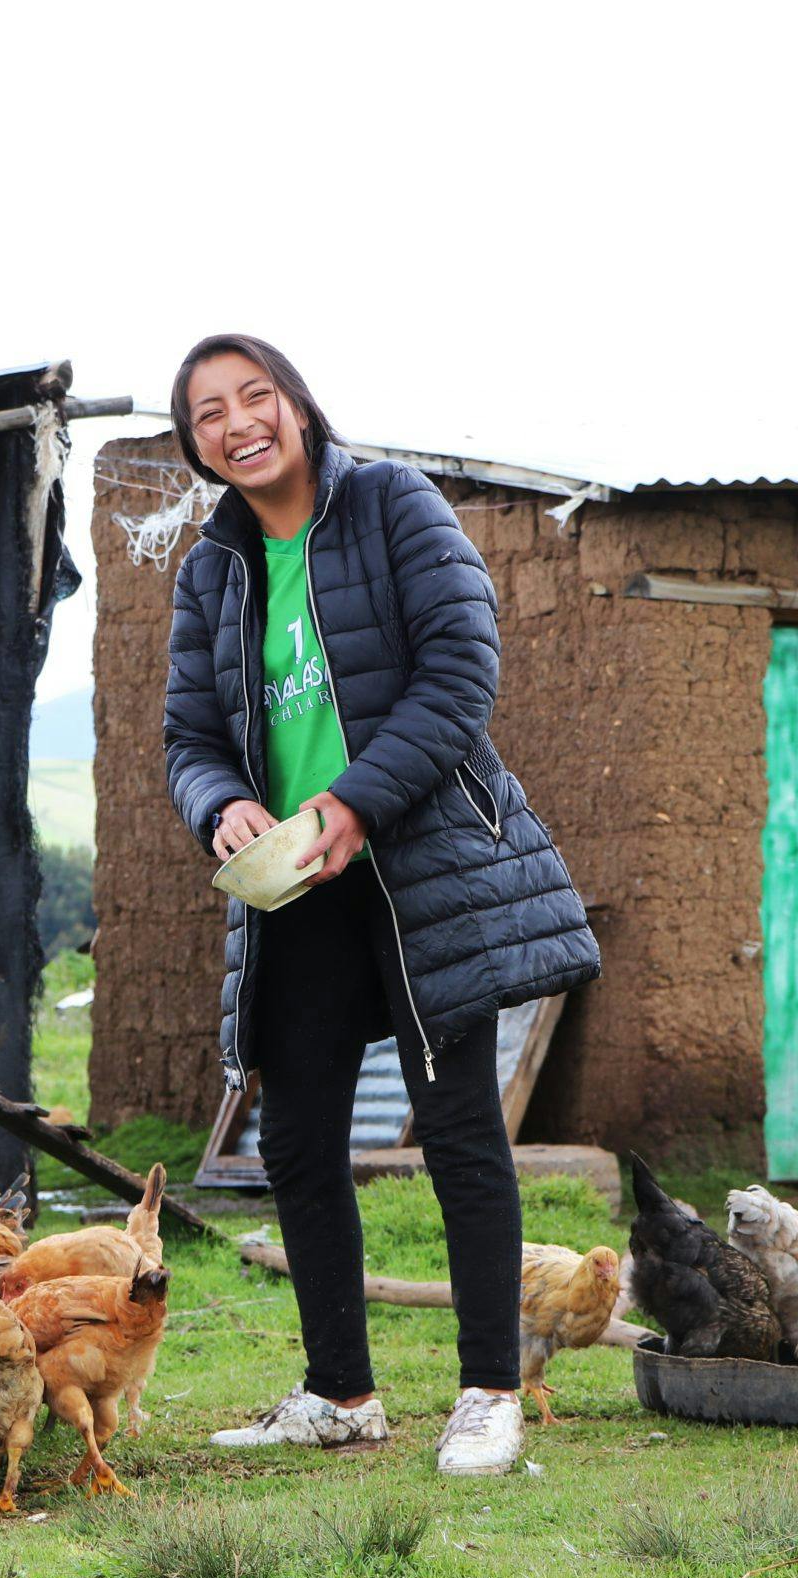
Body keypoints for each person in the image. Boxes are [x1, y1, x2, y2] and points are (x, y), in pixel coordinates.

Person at [161, 333, 600, 1475]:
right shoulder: (211, 569)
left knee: (456, 1128)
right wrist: (222, 811)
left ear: (297, 407)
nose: (236, 423)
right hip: (295, 886)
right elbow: (189, 738)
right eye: (208, 412)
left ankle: (489, 1393)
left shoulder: (390, 505)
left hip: (421, 873)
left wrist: (355, 801)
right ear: (194, 443)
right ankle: (340, 1391)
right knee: (299, 1136)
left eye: (254, 397)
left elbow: (460, 670)